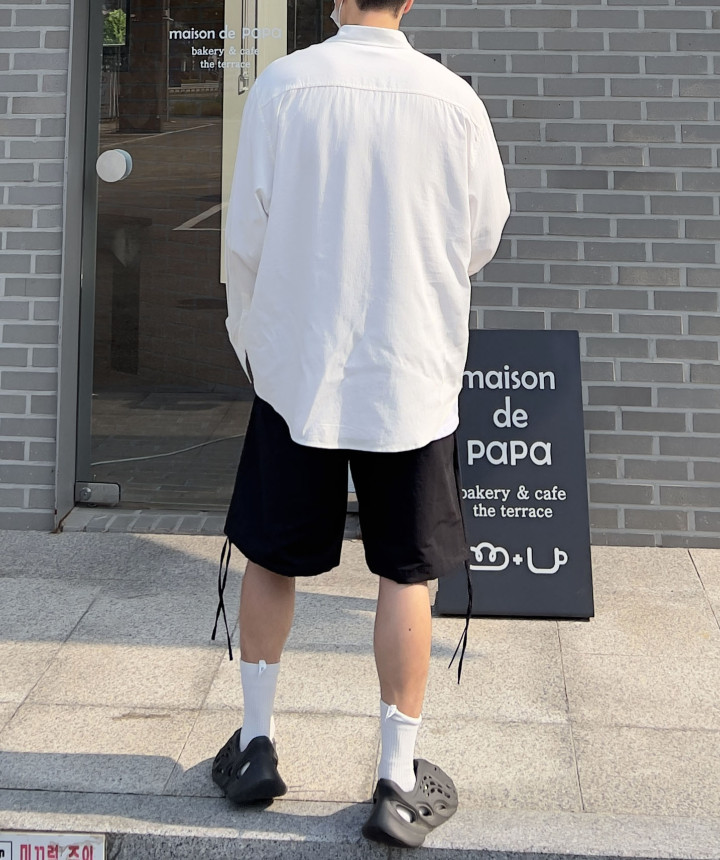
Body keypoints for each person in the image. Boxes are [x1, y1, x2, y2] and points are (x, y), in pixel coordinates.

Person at [211, 0, 509, 847]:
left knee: (273, 555)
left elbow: (246, 236)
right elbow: (481, 234)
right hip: (408, 369)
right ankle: (395, 776)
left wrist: (254, 343)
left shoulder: (283, 87)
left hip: (299, 366)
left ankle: (257, 745)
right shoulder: (453, 99)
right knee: (406, 573)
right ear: (408, 0)